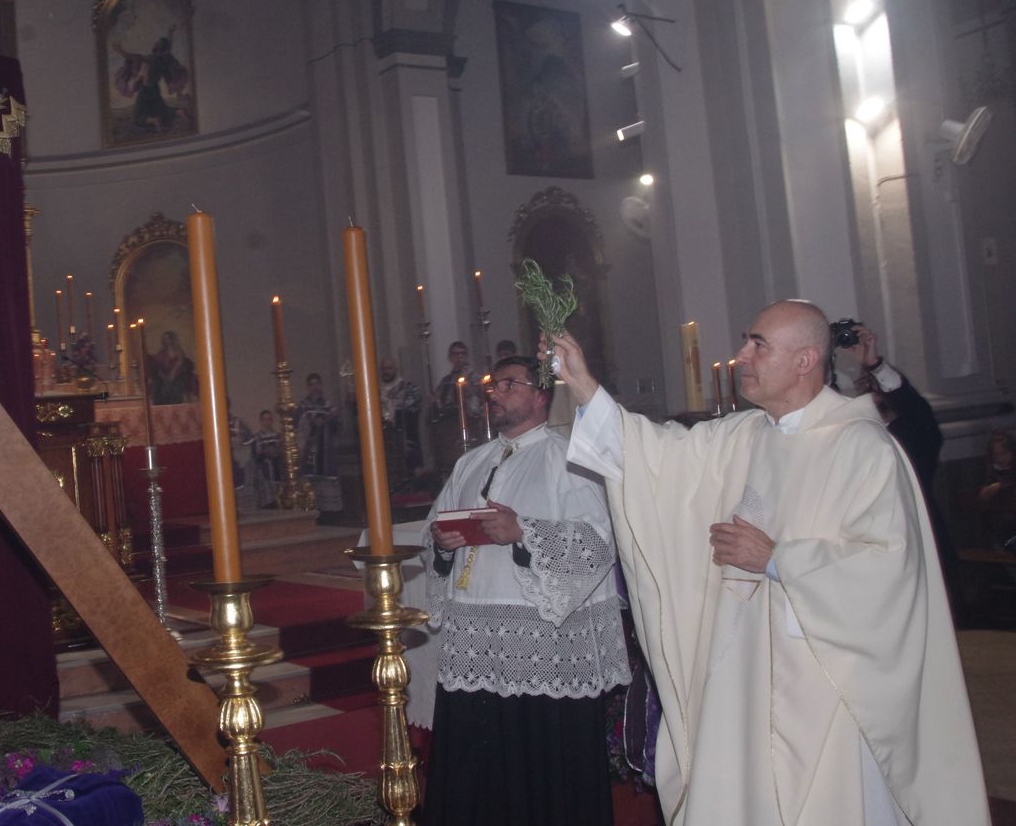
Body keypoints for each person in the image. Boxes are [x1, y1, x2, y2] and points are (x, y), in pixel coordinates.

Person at [550, 300, 988, 825]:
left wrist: (780, 560)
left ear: (805, 360)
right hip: (744, 676)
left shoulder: (863, 449)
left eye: (758, 344)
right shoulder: (742, 437)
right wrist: (582, 385)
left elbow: (889, 571)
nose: (740, 356)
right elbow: (653, 458)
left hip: (825, 686)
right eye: (746, 341)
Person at [420, 355, 628, 826]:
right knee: (480, 770)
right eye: (494, 385)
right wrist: (443, 543)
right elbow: (435, 530)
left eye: (509, 385)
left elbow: (597, 542)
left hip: (542, 646)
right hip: (474, 637)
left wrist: (524, 533)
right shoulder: (470, 462)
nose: (494, 393)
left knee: (542, 772)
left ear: (540, 395)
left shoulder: (568, 459)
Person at [847, 323, 957, 577]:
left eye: (872, 384)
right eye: (862, 383)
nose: (865, 387)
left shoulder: (915, 431)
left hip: (917, 539)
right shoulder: (854, 432)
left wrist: (875, 364)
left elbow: (908, 401)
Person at [379, 356, 422, 470]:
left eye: (389, 368)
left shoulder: (408, 387)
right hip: (385, 438)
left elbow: (413, 406)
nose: (386, 372)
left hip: (404, 436)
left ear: (395, 369)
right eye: (383, 369)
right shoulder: (377, 391)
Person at [295, 371, 339, 475]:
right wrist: (311, 422)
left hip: (325, 446)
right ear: (308, 387)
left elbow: (336, 426)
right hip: (308, 446)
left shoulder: (328, 405)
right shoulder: (303, 406)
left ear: (320, 385)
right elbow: (297, 425)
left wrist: (326, 421)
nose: (314, 387)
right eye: (311, 384)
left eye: (316, 384)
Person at [246, 409, 285, 507]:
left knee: (280, 496)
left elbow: (282, 451)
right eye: (264, 419)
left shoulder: (278, 436)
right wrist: (267, 452)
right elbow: (256, 455)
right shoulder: (257, 437)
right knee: (267, 499)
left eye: (269, 419)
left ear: (272, 421)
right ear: (261, 421)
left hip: (278, 470)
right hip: (265, 472)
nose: (267, 422)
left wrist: (277, 452)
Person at [147, 328, 196, 405]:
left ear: (172, 339)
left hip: (177, 375)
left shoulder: (178, 351)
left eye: (168, 338)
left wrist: (172, 375)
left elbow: (180, 363)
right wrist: (164, 376)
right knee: (159, 386)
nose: (166, 341)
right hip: (164, 377)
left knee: (177, 385)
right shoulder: (162, 352)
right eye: (164, 339)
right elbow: (158, 366)